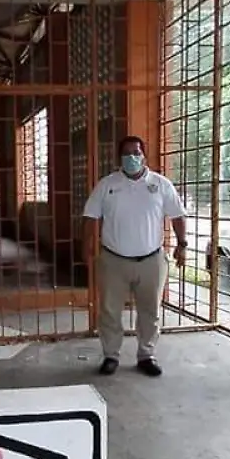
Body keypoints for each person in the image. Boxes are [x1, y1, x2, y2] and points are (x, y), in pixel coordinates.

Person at [82, 135, 188, 377]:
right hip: (114, 261)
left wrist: (182, 244)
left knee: (150, 311)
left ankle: (146, 355)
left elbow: (178, 216)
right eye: (127, 153)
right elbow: (90, 217)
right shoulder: (107, 185)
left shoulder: (161, 184)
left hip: (151, 260)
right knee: (110, 311)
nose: (132, 158)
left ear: (144, 155)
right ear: (119, 158)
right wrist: (86, 248)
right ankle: (111, 355)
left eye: (136, 153)